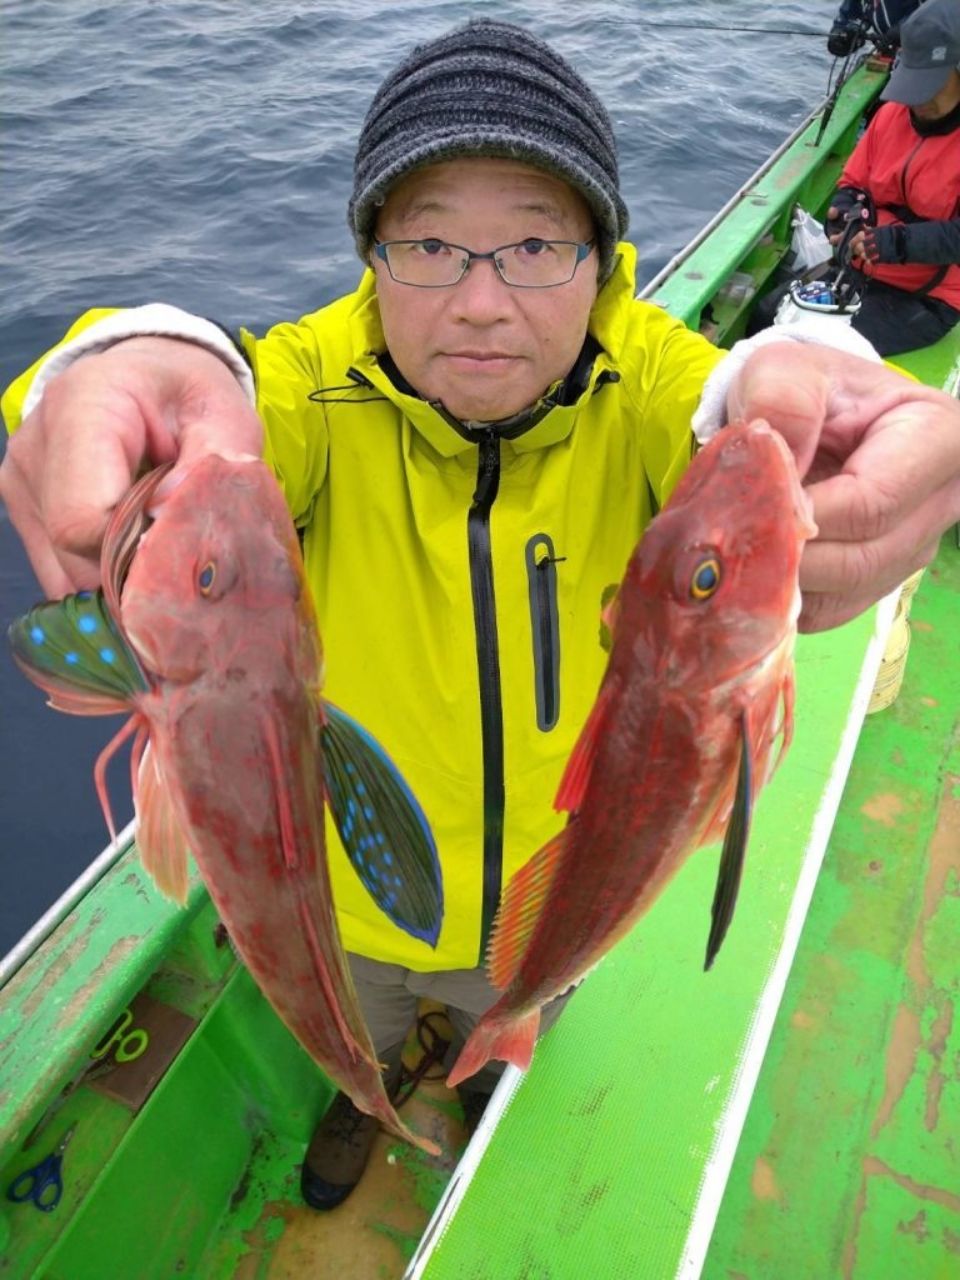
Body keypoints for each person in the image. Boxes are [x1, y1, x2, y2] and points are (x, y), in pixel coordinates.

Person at [2, 19, 960, 1212]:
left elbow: (734, 391)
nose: (481, 301)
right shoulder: (306, 395)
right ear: (371, 255)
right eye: (431, 244)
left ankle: (482, 1060)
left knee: (521, 1004)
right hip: (351, 893)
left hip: (552, 894)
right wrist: (93, 364)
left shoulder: (647, 380)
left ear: (604, 262)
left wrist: (804, 381)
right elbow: (198, 380)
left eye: (536, 245)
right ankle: (379, 1088)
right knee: (370, 1016)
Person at [824, 0, 960, 355]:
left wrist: (893, 243)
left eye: (932, 83)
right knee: (769, 314)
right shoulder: (890, 116)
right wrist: (844, 211)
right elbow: (853, 181)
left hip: (928, 298)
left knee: (824, 345)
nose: (918, 99)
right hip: (861, 271)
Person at [827, 0, 925, 57]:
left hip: (927, 54)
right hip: (890, 55)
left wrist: (903, 29)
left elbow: (933, 10)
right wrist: (841, 40)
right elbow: (845, 19)